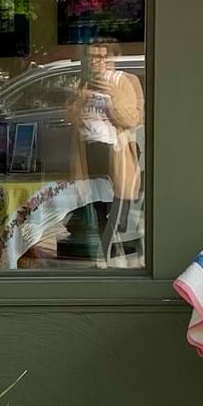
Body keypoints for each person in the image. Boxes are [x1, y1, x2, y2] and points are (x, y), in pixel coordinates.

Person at [66, 42, 144, 265]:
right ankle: (103, 259)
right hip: (88, 153)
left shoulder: (125, 81)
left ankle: (125, 257)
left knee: (119, 212)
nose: (96, 61)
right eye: (91, 57)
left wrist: (113, 96)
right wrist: (81, 97)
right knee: (95, 208)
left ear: (112, 59)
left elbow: (132, 119)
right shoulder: (84, 81)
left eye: (101, 57)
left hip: (115, 153)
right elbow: (71, 117)